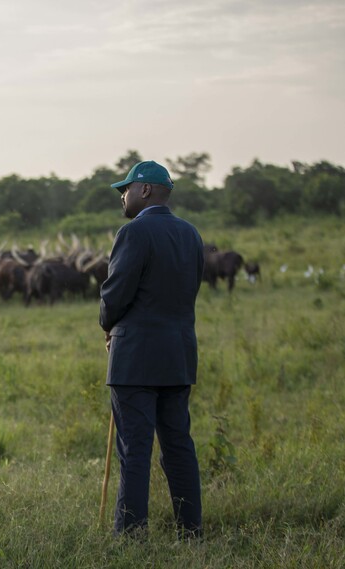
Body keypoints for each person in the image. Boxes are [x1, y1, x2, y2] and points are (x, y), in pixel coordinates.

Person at [99, 161, 204, 538]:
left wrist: (109, 325)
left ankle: (130, 536)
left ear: (144, 190)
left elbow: (116, 294)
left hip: (135, 359)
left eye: (125, 189)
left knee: (135, 451)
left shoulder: (134, 233)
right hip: (178, 355)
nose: (122, 196)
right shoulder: (191, 234)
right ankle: (191, 532)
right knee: (178, 446)